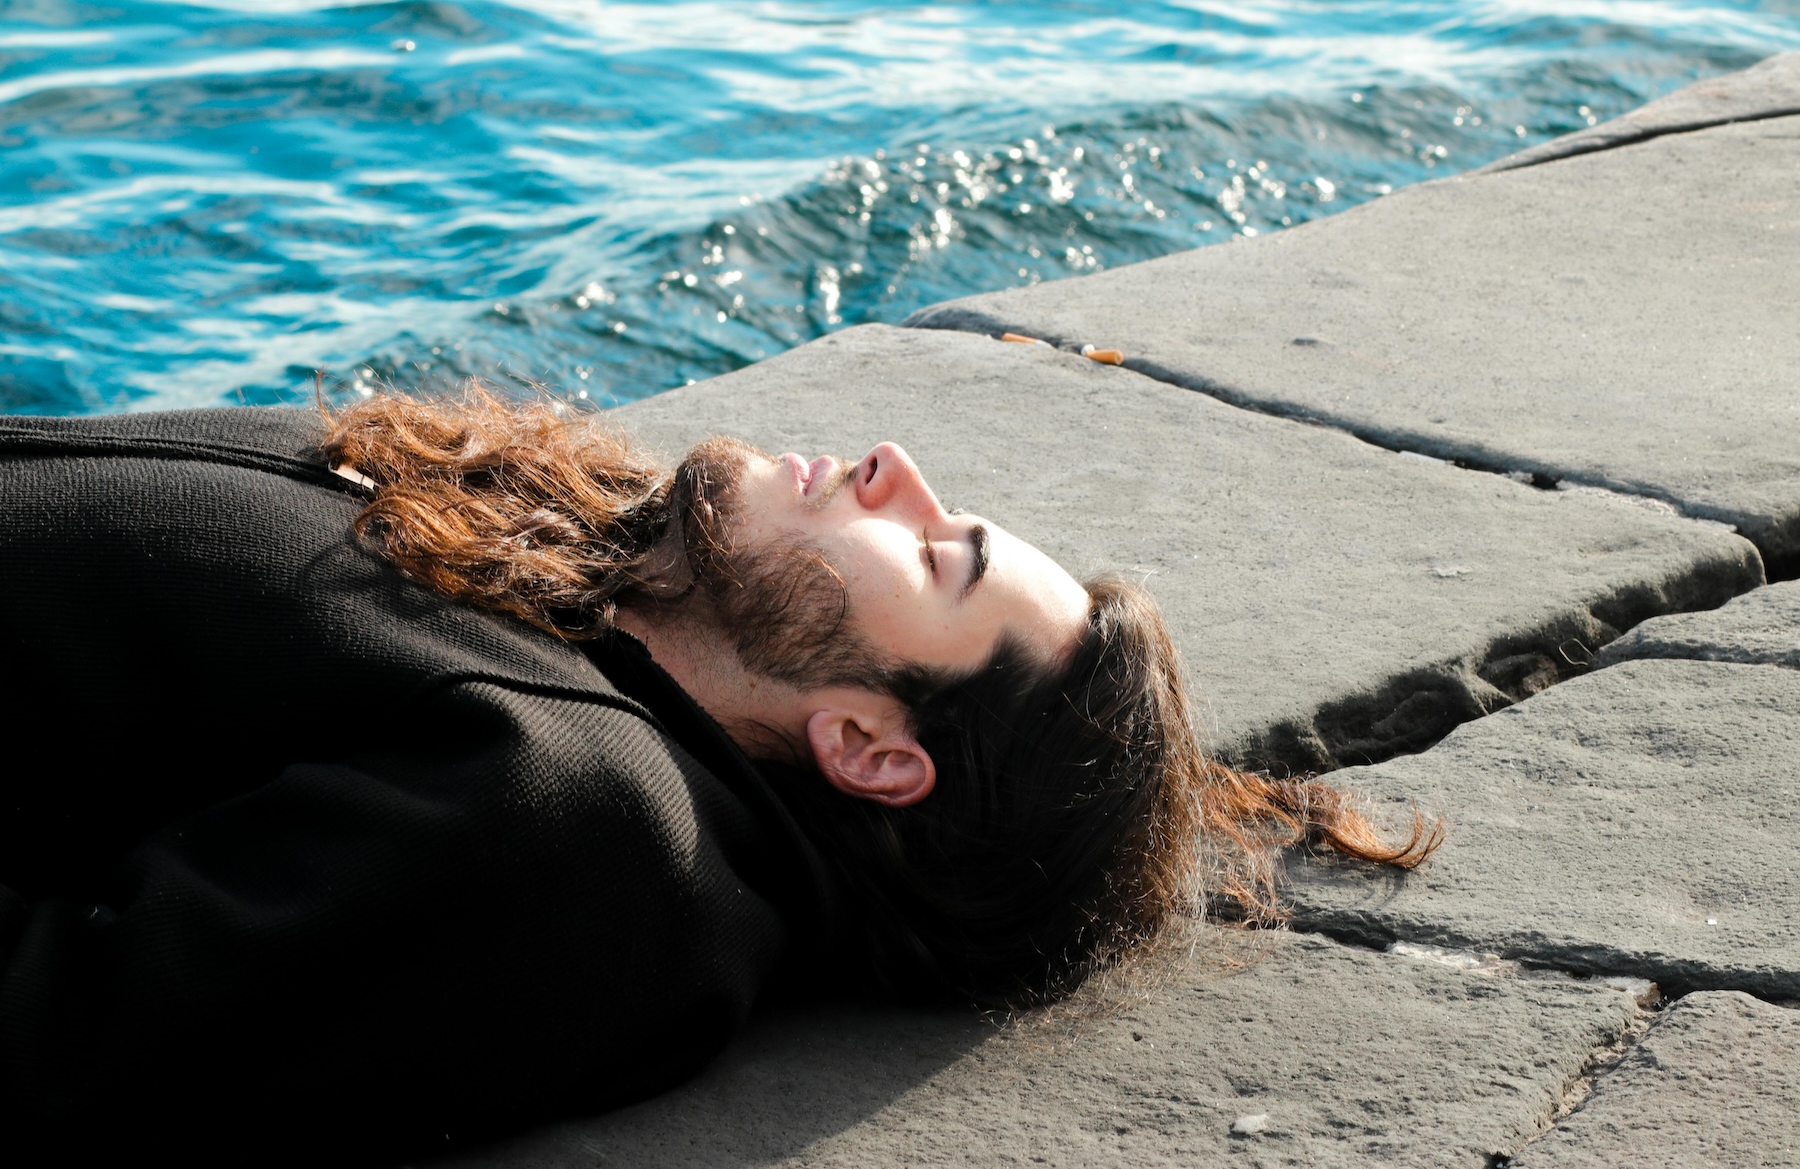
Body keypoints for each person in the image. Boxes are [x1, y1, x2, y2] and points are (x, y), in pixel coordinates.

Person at [0, 388, 1434, 1161]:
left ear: (870, 749)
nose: (896, 464)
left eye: (940, 555)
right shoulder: (586, 570)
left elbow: (54, 1042)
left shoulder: (574, 821)